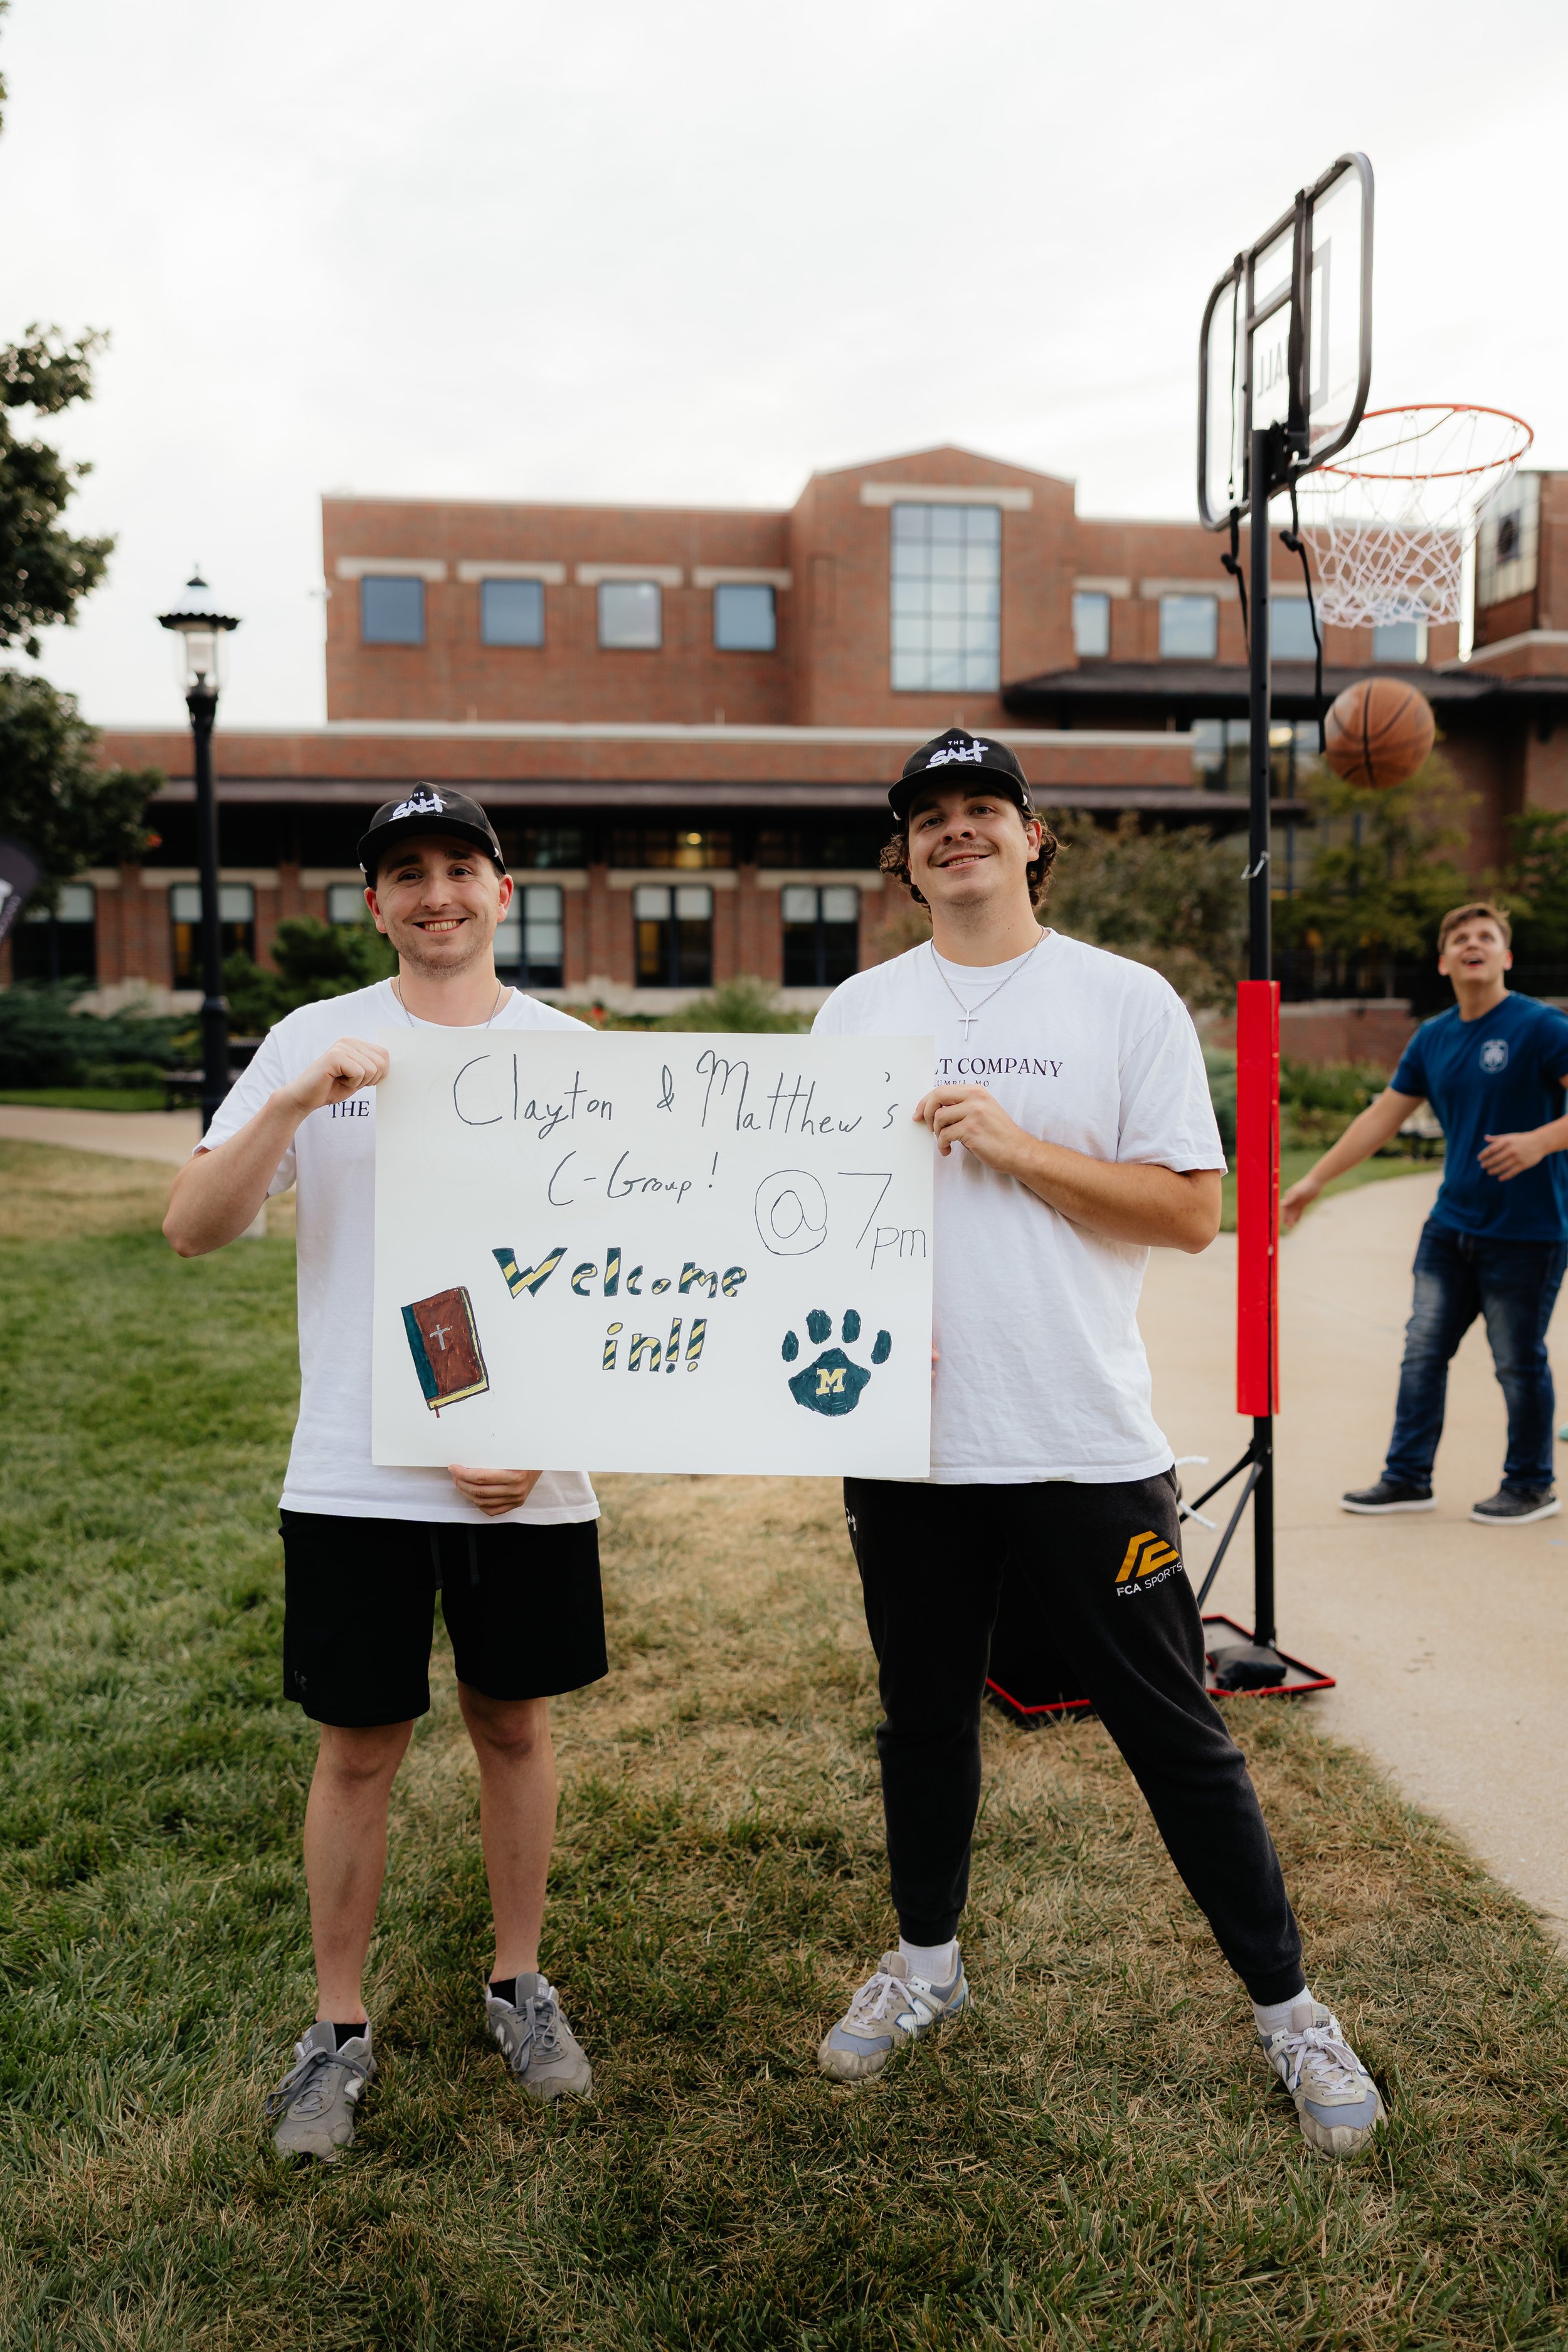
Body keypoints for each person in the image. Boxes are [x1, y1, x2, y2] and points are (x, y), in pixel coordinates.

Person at [808, 728, 1385, 2159]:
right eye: (930, 816)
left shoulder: (1118, 1000)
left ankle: (1290, 2006)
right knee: (925, 1714)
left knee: (1175, 1729)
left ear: (1030, 836)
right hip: (910, 1438)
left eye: (981, 811)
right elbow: (809, 1220)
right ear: (905, 852)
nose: (958, 833)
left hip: (1079, 1433)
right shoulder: (855, 1013)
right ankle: (926, 1962)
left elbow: (1196, 1212)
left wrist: (1015, 1147)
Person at [163, 788, 605, 2163]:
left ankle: (518, 1985)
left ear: (501, 890)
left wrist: (539, 1427)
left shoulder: (569, 1053)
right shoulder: (312, 1042)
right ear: (372, 904)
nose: (436, 894)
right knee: (357, 1746)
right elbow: (192, 1226)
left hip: (517, 1470)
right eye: (405, 874)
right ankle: (337, 2028)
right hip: (357, 1468)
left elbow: (611, 1277)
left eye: (459, 868)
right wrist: (292, 1097)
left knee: (515, 1727)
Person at [1283, 899, 1568, 1527]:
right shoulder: (1433, 1037)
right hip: (1451, 1228)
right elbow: (1381, 1117)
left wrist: (1540, 1141)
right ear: (1443, 962)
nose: (1474, 943)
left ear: (1505, 956)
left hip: (1527, 1232)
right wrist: (1314, 1180)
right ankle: (1407, 1477)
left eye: (1486, 936)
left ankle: (1531, 1484)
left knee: (1516, 1361)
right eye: (1461, 937)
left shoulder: (1542, 1028)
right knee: (1421, 1352)